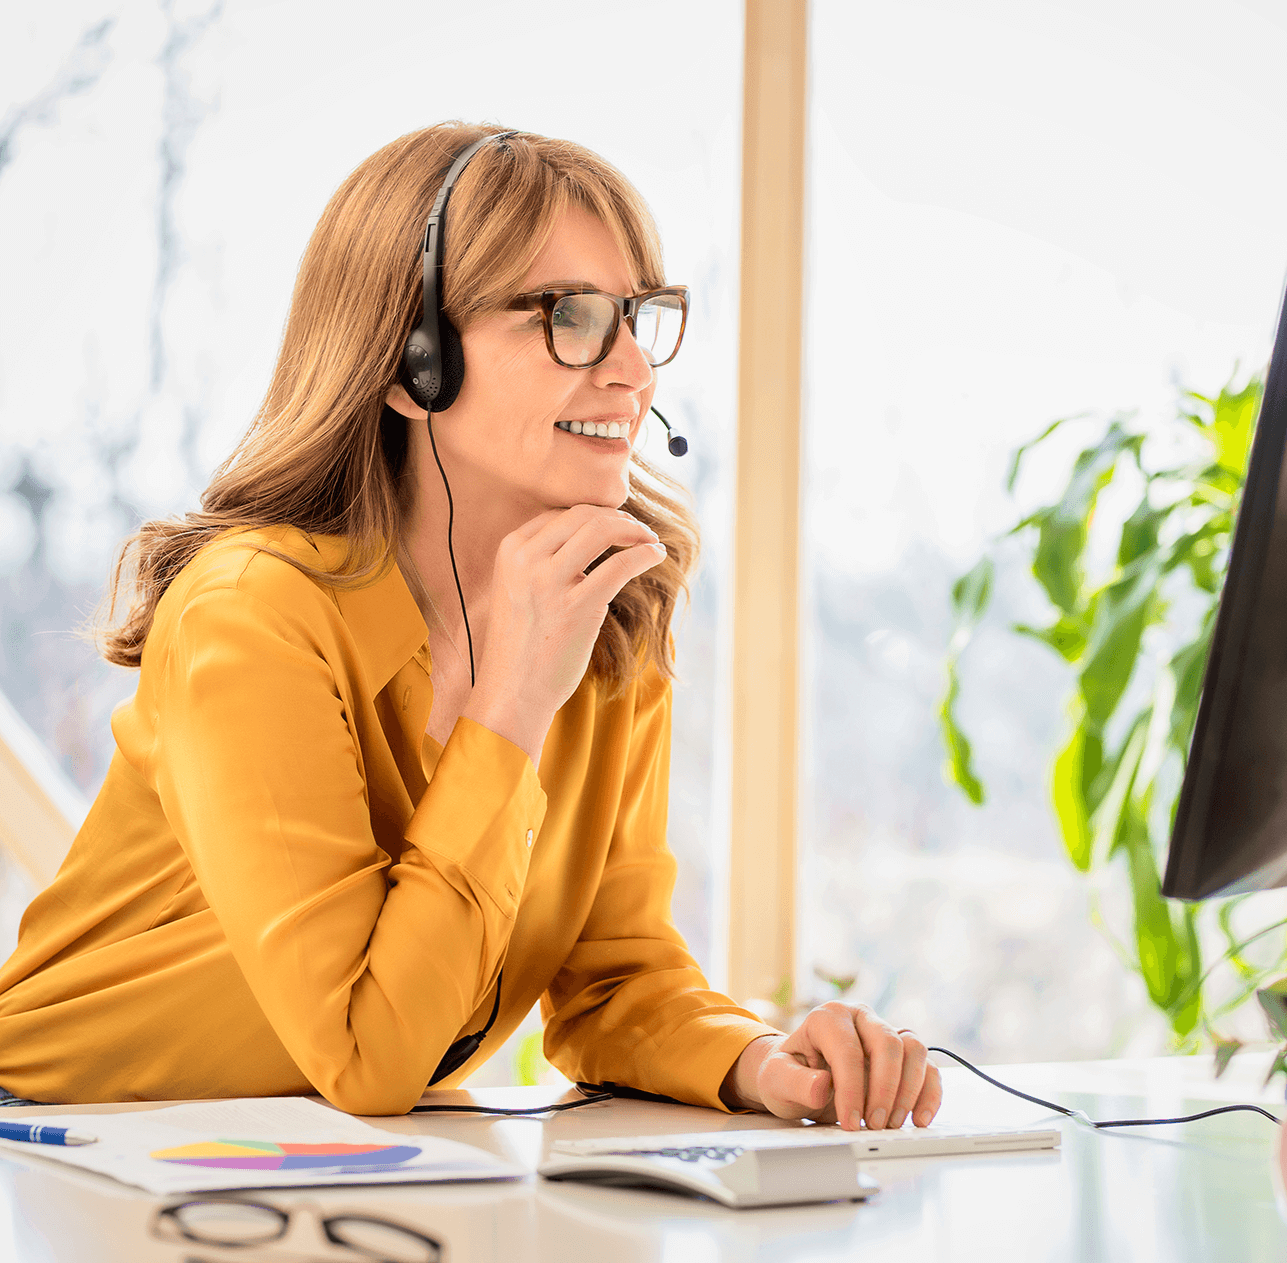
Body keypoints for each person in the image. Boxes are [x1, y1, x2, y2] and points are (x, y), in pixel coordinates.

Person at [0, 123, 943, 1128]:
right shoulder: (253, 614)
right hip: (63, 1153)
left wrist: (762, 1061)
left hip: (333, 1168)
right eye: (569, 316)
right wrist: (512, 704)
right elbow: (369, 1053)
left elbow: (612, 980)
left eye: (637, 315)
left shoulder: (608, 613)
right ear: (414, 365)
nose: (632, 369)